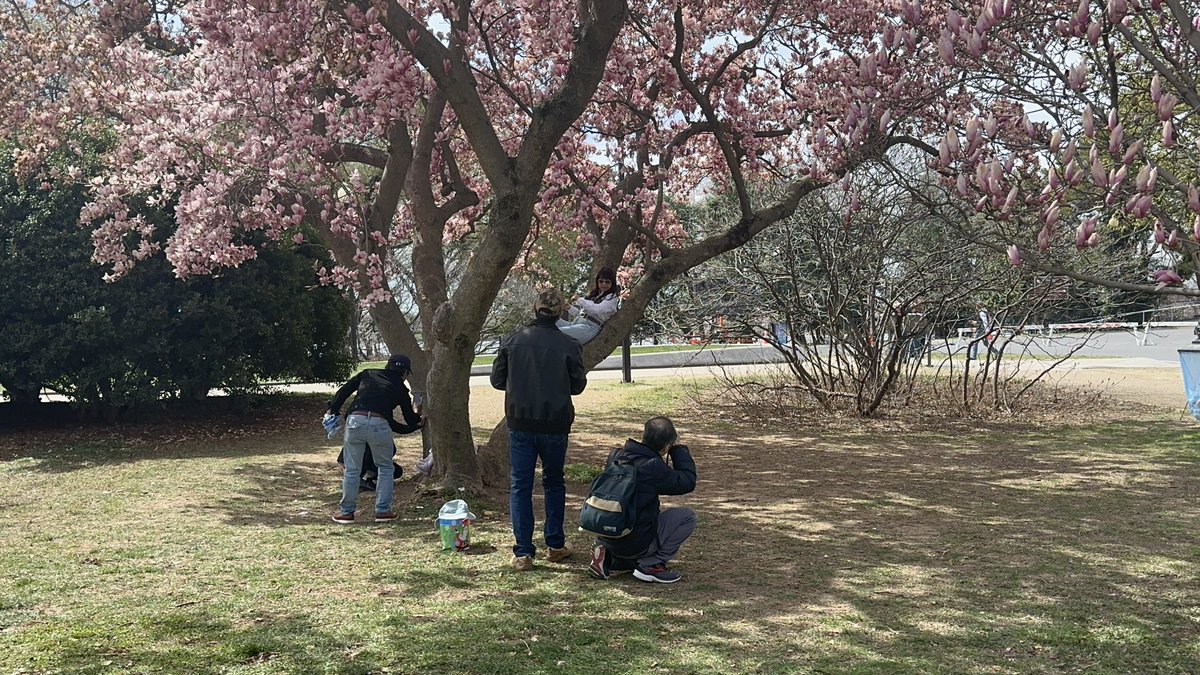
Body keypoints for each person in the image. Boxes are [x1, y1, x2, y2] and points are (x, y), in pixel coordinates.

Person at [490, 288, 588, 571]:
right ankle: (555, 543)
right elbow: (577, 386)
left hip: (521, 422)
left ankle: (523, 552)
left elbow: (498, 381)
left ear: (535, 309)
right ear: (560, 313)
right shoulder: (569, 344)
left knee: (520, 485)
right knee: (554, 482)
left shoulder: (512, 340)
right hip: (556, 424)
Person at [587, 416, 697, 584]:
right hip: (635, 541)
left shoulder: (616, 455)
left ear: (644, 435)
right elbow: (687, 482)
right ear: (666, 447)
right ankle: (650, 565)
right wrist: (678, 449)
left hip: (609, 533)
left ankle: (608, 556)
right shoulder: (652, 466)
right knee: (687, 516)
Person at [327, 354, 424, 524]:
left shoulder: (368, 373)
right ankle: (382, 512)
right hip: (380, 423)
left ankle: (346, 512)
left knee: (352, 470)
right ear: (405, 373)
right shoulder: (401, 389)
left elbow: (345, 390)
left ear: (388, 366)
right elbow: (408, 419)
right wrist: (418, 421)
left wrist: (332, 410)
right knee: (385, 468)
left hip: (355, 420)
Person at [556, 267, 621, 344]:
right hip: (576, 323)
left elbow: (598, 310)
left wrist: (579, 300)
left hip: (589, 328)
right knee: (546, 321)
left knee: (555, 332)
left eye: (607, 282)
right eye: (601, 281)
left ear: (612, 283)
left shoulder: (611, 298)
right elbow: (582, 314)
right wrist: (570, 308)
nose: (604, 284)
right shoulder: (596, 295)